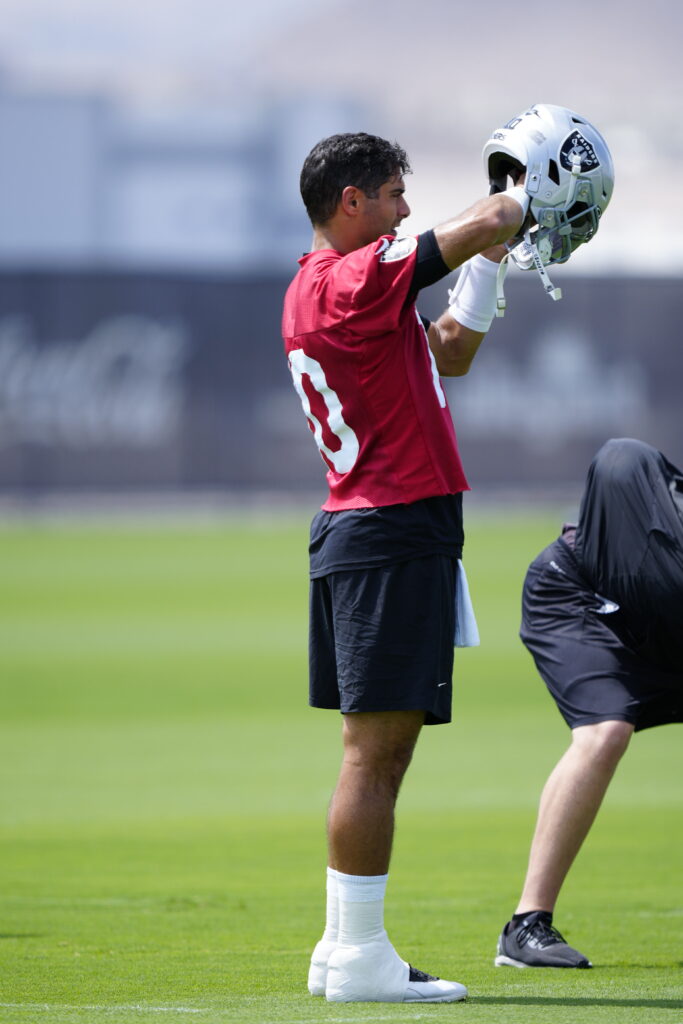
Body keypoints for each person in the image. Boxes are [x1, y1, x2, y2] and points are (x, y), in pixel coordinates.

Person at [281, 130, 532, 1003]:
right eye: (390, 193)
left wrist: (493, 263)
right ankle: (357, 957)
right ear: (349, 202)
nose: (403, 209)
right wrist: (522, 192)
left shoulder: (332, 286)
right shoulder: (351, 276)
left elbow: (452, 350)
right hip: (390, 527)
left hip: (374, 527)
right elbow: (496, 210)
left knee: (374, 754)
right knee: (375, 758)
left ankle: (339, 948)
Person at [495, 437, 683, 969]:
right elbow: (616, 463)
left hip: (661, 616)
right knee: (605, 730)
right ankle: (526, 927)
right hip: (577, 598)